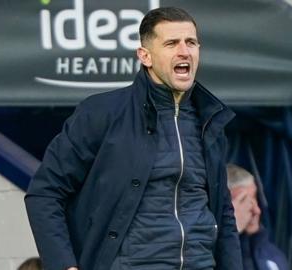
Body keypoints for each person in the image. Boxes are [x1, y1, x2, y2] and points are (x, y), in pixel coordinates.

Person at [25, 7, 242, 270]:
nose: (184, 51)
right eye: (172, 43)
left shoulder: (208, 121)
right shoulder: (101, 112)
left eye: (191, 42)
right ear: (145, 56)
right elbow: (45, 193)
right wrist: (64, 266)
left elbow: (223, 213)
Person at [226, 164, 288, 270]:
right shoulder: (209, 253)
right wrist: (231, 230)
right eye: (244, 201)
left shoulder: (273, 256)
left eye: (255, 198)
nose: (257, 211)